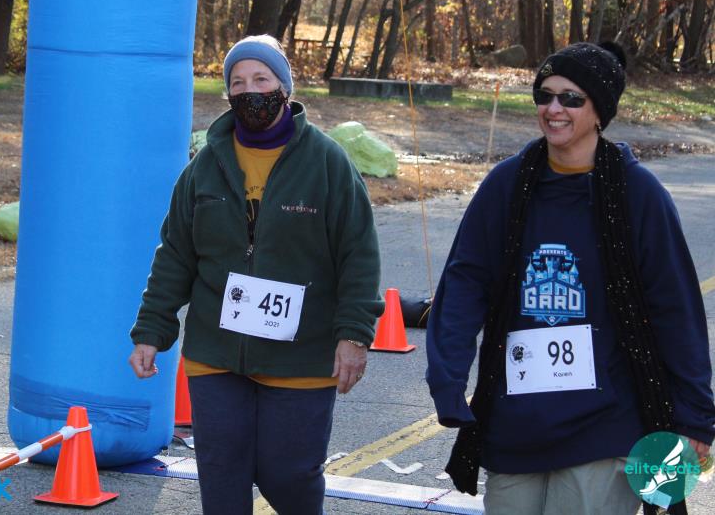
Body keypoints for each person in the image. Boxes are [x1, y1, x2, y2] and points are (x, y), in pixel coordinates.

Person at [425, 41, 715, 515]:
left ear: (600, 110)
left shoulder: (638, 194)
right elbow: (465, 282)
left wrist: (695, 415)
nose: (554, 108)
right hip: (516, 423)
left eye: (571, 98)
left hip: (605, 425)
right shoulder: (507, 184)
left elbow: (676, 310)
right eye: (545, 95)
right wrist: (447, 376)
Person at [129, 34, 382, 514]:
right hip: (216, 352)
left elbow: (359, 255)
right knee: (221, 474)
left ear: (284, 87)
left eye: (261, 79)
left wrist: (354, 333)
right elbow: (176, 254)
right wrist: (151, 330)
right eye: (238, 82)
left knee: (290, 474)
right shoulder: (205, 166)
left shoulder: (328, 162)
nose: (250, 91)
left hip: (301, 354)